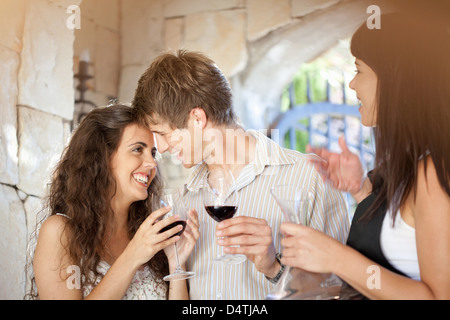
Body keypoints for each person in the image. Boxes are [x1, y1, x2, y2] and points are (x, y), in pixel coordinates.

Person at [132, 50, 350, 299]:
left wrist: (274, 269)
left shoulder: (311, 179)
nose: (162, 148)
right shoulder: (184, 200)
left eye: (162, 133)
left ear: (197, 118)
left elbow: (340, 290)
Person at [280, 12, 450, 299]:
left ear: (395, 78)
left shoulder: (433, 171)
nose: (352, 85)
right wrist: (361, 190)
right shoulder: (408, 163)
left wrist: (335, 256)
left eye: (358, 70)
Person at [28, 104, 199, 300]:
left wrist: (177, 263)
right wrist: (134, 253)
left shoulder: (149, 231)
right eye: (137, 149)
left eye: (152, 153)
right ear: (101, 157)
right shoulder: (60, 232)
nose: (152, 163)